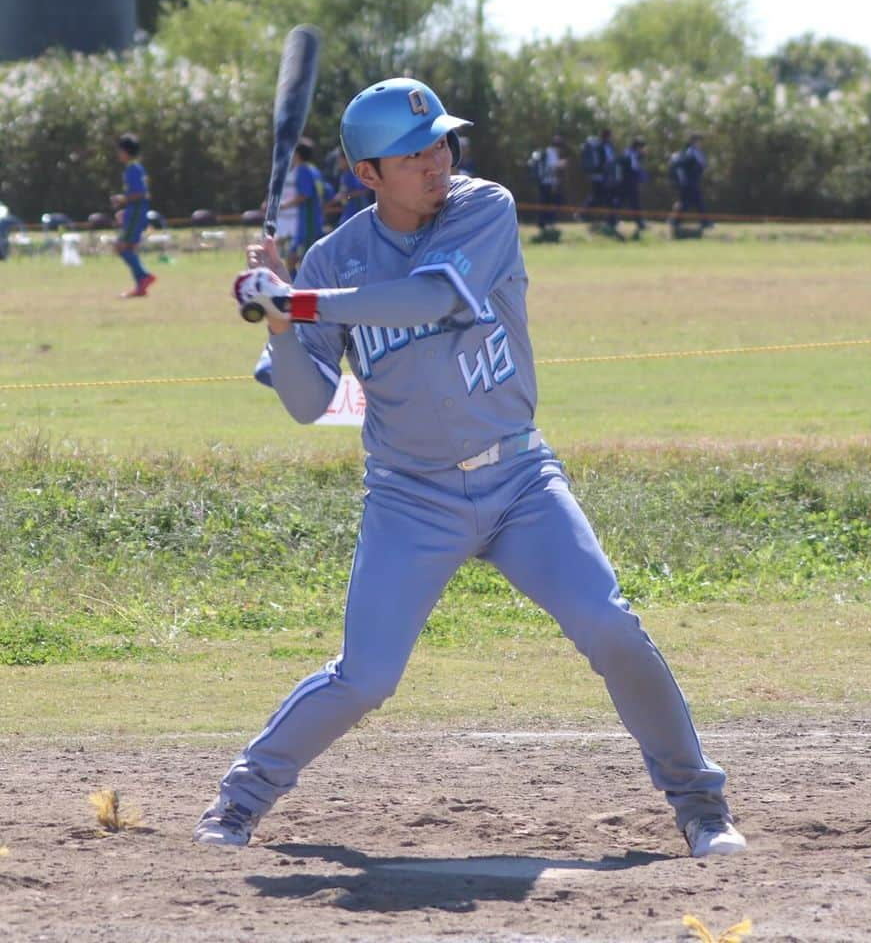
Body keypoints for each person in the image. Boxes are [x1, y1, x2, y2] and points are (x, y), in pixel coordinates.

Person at [197, 76, 747, 861]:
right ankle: (240, 802)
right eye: (412, 154)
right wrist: (283, 321)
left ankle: (701, 807)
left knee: (609, 625)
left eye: (441, 143)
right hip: (410, 496)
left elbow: (430, 297)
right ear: (367, 175)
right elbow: (305, 400)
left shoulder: (483, 207)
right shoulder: (334, 257)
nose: (437, 162)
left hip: (520, 480)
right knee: (366, 678)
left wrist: (304, 299)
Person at [110, 133, 156, 297]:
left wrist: (123, 199)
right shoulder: (136, 168)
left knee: (121, 247)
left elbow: (141, 193)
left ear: (126, 151)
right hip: (135, 211)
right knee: (129, 248)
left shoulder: (132, 169)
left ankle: (144, 276)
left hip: (136, 212)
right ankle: (140, 287)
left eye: (119, 150)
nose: (118, 154)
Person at [280, 136, 325, 275]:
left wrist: (283, 206)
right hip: (311, 221)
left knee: (300, 259)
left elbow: (305, 195)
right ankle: (296, 287)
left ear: (297, 154)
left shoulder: (302, 171)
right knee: (293, 257)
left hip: (308, 224)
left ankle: (299, 289)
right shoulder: (313, 170)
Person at [582, 128, 620, 238]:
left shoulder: (607, 146)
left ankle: (610, 220)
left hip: (605, 178)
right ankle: (584, 214)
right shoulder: (601, 147)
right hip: (602, 177)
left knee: (602, 198)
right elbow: (607, 162)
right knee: (600, 198)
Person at [531, 132, 566, 242]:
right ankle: (547, 225)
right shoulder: (552, 153)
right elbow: (553, 168)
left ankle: (544, 224)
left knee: (545, 203)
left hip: (544, 182)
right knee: (550, 204)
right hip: (548, 183)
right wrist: (562, 164)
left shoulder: (547, 151)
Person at [330, 147, 373, 226]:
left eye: (339, 159)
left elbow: (364, 191)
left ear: (346, 159)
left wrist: (346, 196)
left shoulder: (354, 174)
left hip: (358, 213)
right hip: (348, 213)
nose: (338, 162)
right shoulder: (344, 175)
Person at [619, 136, 648, 239]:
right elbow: (634, 169)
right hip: (628, 183)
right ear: (639, 147)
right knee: (631, 203)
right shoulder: (632, 154)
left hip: (627, 183)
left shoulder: (630, 153)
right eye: (643, 147)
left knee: (627, 203)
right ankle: (640, 223)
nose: (645, 150)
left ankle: (640, 223)